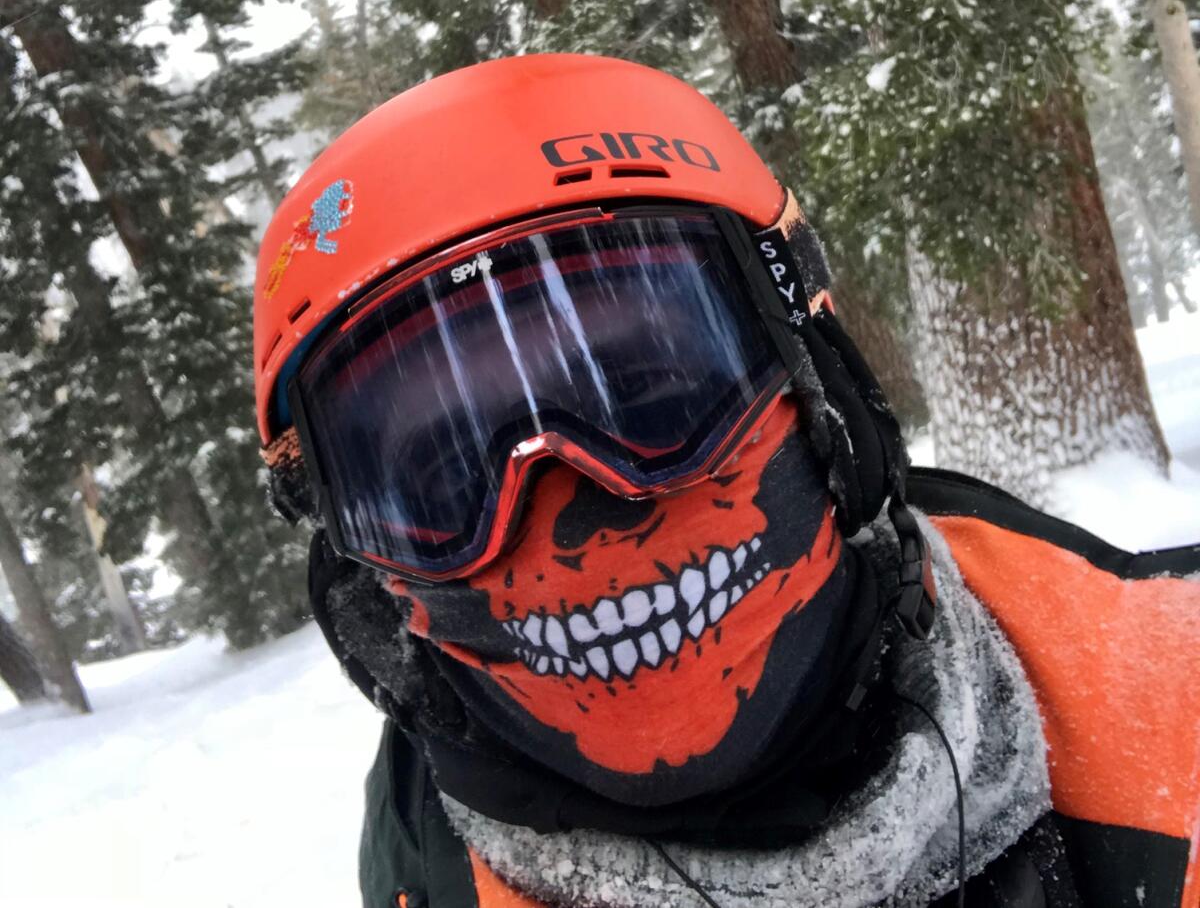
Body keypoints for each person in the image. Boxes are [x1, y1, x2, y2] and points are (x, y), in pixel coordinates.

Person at [254, 54, 1200, 908]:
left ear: (812, 375)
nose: (571, 516)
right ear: (371, 584)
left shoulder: (1165, 704)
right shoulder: (423, 868)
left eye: (650, 393)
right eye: (442, 475)